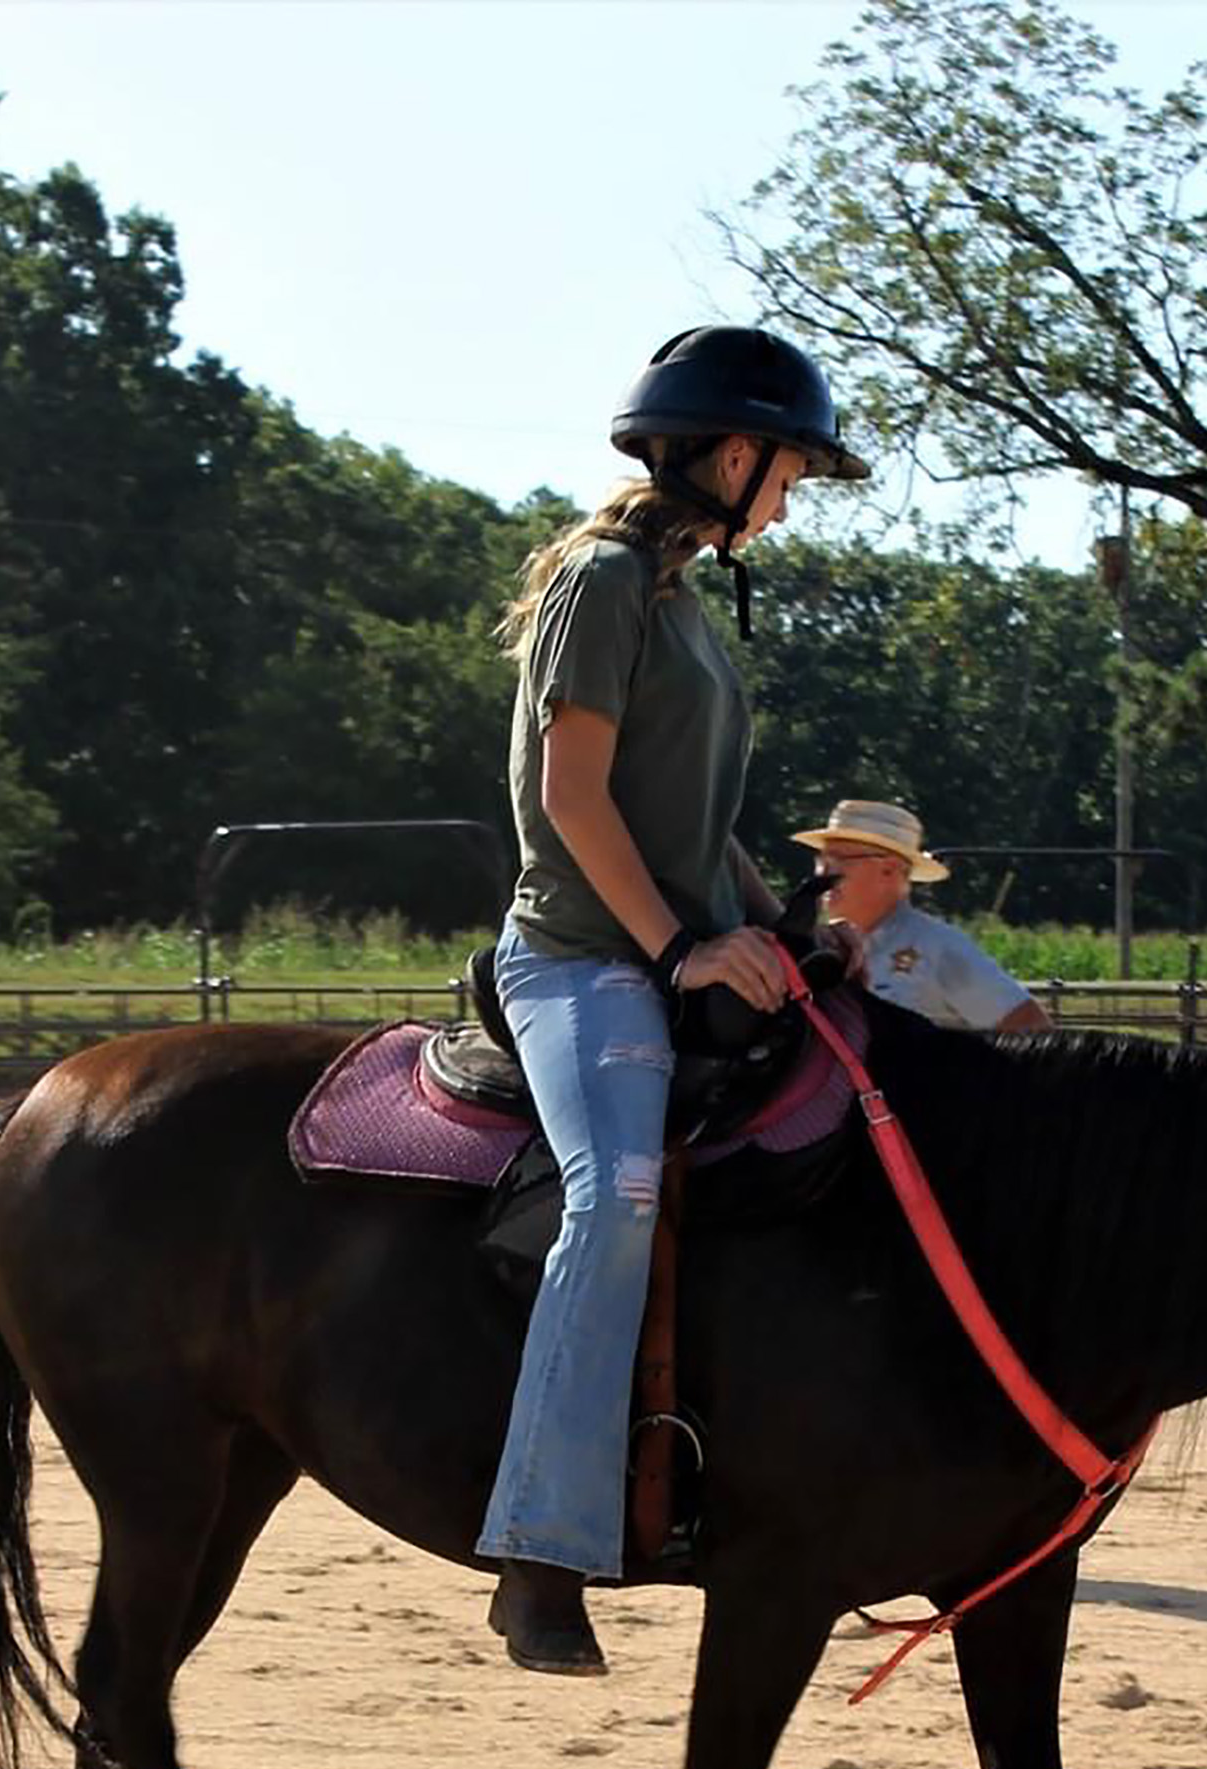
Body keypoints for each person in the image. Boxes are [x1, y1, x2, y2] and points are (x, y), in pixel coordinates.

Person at [477, 327, 866, 1676]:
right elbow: (571, 799)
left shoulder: (682, 601)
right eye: (791, 471)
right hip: (581, 959)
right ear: (734, 451)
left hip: (672, 942)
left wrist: (776, 929)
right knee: (618, 1191)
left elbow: (696, 822)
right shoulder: (600, 581)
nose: (792, 496)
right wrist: (678, 954)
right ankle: (538, 1540)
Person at [788, 799, 1050, 1033]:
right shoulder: (818, 948)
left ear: (889, 870)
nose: (822, 873)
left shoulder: (939, 948)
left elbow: (1031, 1030)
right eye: (821, 859)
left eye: (839, 860)